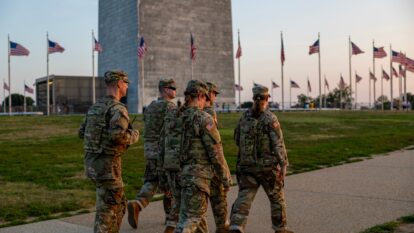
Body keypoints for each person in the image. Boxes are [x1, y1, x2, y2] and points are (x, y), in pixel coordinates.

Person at [78, 70, 140, 233]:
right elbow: (118, 136)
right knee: (109, 213)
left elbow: (81, 133)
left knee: (113, 205)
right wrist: (134, 135)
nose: (127, 87)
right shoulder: (118, 109)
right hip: (108, 169)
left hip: (92, 166)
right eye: (125, 83)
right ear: (119, 84)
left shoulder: (94, 107)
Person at [229, 85, 292, 233]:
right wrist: (283, 165)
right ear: (266, 99)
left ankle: (236, 225)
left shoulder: (244, 117)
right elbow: (278, 144)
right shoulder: (270, 118)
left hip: (247, 166)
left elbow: (237, 138)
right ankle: (280, 228)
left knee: (244, 196)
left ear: (253, 98)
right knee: (276, 198)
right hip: (268, 168)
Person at [175, 80, 232, 233]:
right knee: (190, 220)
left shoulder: (176, 118)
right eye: (205, 97)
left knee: (195, 221)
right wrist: (225, 178)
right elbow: (216, 153)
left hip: (179, 175)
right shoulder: (204, 119)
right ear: (200, 96)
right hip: (198, 178)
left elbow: (165, 147)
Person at [127, 79, 177, 233]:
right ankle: (171, 221)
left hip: (150, 151)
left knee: (152, 180)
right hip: (164, 152)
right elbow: (174, 130)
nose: (175, 91)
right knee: (171, 185)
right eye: (173, 88)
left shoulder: (150, 107)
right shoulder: (170, 107)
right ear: (165, 89)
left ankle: (138, 204)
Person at [204, 82, 231, 233]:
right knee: (219, 197)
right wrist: (224, 172)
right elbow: (215, 143)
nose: (215, 96)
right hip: (211, 164)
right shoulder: (209, 112)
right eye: (214, 93)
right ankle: (222, 227)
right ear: (209, 94)